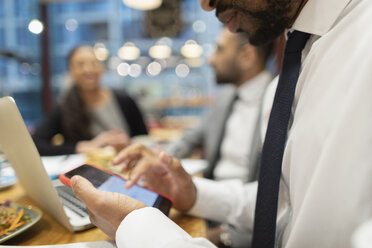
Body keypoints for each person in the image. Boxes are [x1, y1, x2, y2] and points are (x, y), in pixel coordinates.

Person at [71, 0, 372, 247]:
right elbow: (288, 204)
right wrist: (193, 194)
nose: (204, 5)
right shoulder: (298, 64)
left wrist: (138, 228)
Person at [167, 27, 273, 184]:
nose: (210, 59)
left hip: (251, 202)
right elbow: (190, 138)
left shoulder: (279, 102)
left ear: (247, 56)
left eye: (219, 49)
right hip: (212, 193)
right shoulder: (225, 97)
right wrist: (158, 158)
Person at [33, 45, 147, 156]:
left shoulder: (124, 100)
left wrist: (128, 142)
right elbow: (37, 144)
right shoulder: (65, 108)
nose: (88, 69)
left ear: (102, 68)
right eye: (80, 64)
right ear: (70, 70)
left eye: (94, 63)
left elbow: (145, 138)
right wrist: (84, 146)